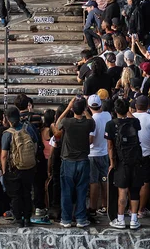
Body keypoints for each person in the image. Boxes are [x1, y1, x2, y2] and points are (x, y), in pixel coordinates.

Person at [53, 96, 95, 228]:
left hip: (68, 161)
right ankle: (81, 218)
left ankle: (66, 218)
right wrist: (86, 110)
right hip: (83, 161)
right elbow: (92, 121)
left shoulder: (68, 122)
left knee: (66, 190)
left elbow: (57, 123)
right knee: (82, 190)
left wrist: (68, 107)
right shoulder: (88, 123)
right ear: (83, 109)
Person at [105, 98, 143, 229]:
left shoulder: (111, 124)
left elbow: (110, 146)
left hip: (121, 162)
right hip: (136, 161)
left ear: (115, 110)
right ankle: (134, 219)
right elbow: (134, 122)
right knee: (134, 191)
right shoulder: (135, 122)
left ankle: (120, 219)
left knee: (122, 191)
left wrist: (112, 162)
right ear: (128, 109)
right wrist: (128, 112)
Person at [0, 106, 38, 228]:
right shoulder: (29, 128)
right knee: (27, 192)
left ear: (7, 119)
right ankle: (27, 218)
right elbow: (36, 144)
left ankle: (18, 219)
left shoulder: (7, 134)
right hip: (29, 167)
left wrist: (4, 170)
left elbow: (4, 155)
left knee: (16, 195)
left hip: (14, 169)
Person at [86, 95, 110, 218]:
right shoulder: (107, 115)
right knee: (104, 179)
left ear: (89, 106)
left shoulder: (92, 120)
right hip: (104, 153)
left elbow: (90, 139)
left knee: (93, 182)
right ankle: (105, 205)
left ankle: (93, 207)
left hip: (93, 155)